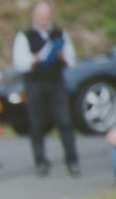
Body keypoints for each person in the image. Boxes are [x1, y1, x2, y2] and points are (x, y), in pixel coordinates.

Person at [12, 2, 79, 176]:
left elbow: (72, 60)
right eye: (40, 16)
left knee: (65, 121)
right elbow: (20, 63)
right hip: (35, 84)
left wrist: (60, 55)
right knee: (37, 123)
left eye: (46, 15)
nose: (44, 19)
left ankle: (72, 161)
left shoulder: (60, 33)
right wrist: (38, 57)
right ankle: (40, 161)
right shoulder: (24, 35)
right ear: (34, 16)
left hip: (57, 82)